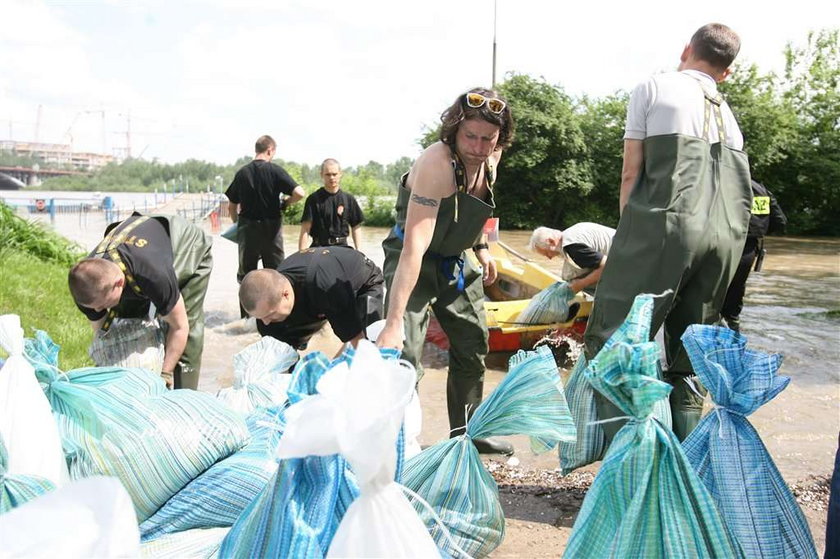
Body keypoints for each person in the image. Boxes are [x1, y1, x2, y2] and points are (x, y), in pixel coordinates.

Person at [582, 23, 753, 442]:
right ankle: (684, 461)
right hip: (726, 241)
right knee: (689, 353)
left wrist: (627, 239)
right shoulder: (731, 118)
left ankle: (627, 466)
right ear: (726, 72)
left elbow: (630, 172)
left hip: (665, 228)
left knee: (618, 339)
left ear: (686, 49)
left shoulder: (654, 88)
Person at [376, 87, 515, 455]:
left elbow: (475, 210)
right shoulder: (437, 165)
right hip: (413, 259)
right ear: (454, 129)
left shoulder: (491, 158)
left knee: (474, 342)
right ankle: (403, 443)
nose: (478, 146)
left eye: (489, 138)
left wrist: (482, 248)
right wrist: (391, 323)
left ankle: (467, 435)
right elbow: (414, 248)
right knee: (404, 351)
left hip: (455, 259)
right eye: (470, 136)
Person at [68, 213, 213, 390]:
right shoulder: (86, 286)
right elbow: (104, 335)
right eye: (94, 307)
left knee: (182, 324)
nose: (98, 309)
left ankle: (186, 398)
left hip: (186, 246)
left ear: (119, 284)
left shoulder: (154, 275)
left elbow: (180, 327)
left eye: (102, 305)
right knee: (128, 318)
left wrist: (164, 374)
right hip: (137, 252)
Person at [240, 246, 385, 354]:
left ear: (285, 295)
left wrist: (326, 377)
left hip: (361, 284)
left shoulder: (326, 287)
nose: (265, 321)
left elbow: (358, 344)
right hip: (315, 298)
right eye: (260, 317)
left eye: (269, 315)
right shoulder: (267, 312)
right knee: (281, 352)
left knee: (370, 347)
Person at [225, 135, 305, 314]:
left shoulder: (242, 173)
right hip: (271, 230)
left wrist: (237, 226)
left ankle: (246, 318)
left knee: (246, 276)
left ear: (257, 149)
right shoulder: (275, 171)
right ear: (270, 150)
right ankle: (276, 315)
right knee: (277, 274)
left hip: (248, 229)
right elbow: (300, 193)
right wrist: (284, 203)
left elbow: (231, 206)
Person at [721, 180, 787, 331]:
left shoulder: (724, 183)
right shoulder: (762, 190)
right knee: (736, 290)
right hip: (749, 249)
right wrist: (757, 231)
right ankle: (733, 333)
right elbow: (780, 222)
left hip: (723, 243)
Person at [527, 223, 615, 295]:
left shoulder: (573, 248)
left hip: (624, 264)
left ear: (551, 241)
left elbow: (607, 265)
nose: (549, 258)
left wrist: (581, 284)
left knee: (578, 283)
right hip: (621, 251)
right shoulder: (568, 235)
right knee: (569, 278)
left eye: (547, 253)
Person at [298, 159, 365, 251]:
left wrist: (359, 251)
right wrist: (301, 254)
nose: (332, 178)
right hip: (319, 248)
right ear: (321, 174)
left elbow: (356, 227)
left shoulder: (349, 199)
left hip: (343, 248)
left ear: (340, 174)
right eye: (328, 174)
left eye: (334, 174)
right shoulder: (313, 199)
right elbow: (305, 229)